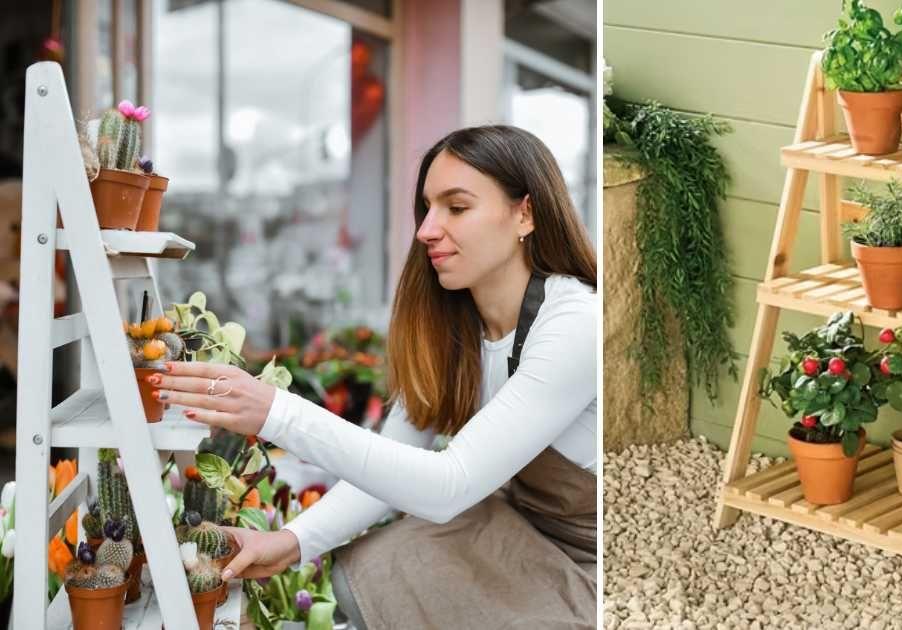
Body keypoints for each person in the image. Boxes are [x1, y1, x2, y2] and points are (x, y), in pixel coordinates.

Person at [150, 125, 598, 628]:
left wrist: (275, 411)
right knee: (379, 567)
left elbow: (447, 486)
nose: (427, 229)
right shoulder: (458, 325)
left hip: (598, 572)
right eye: (426, 209)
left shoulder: (575, 322)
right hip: (519, 538)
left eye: (456, 207)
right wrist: (291, 542)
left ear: (525, 213)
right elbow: (395, 460)